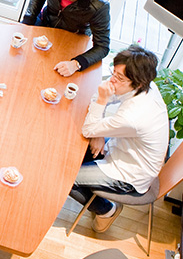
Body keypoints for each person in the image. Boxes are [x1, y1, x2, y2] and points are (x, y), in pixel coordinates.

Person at [71, 45, 169, 233]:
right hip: (119, 148)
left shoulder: (133, 117)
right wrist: (98, 132)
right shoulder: (147, 85)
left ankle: (106, 210)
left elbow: (89, 126)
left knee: (67, 179)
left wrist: (99, 117)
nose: (112, 80)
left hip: (128, 175)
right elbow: (101, 97)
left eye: (119, 78)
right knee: (74, 153)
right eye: (113, 72)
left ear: (138, 82)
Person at [22, 0, 110, 77]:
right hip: (45, 25)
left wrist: (76, 64)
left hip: (73, 39)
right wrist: (25, 24)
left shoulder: (100, 5)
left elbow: (103, 46)